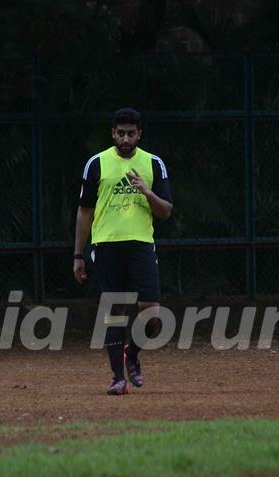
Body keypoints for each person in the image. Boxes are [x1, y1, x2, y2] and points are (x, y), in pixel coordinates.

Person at [73, 107, 173, 395]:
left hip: (141, 244)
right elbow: (84, 212)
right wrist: (78, 255)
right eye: (121, 133)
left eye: (131, 133)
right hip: (106, 245)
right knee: (115, 311)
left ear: (140, 134)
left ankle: (133, 355)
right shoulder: (97, 163)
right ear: (113, 133)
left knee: (151, 314)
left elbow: (166, 211)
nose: (126, 138)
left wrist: (146, 191)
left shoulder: (153, 164)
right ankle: (118, 377)